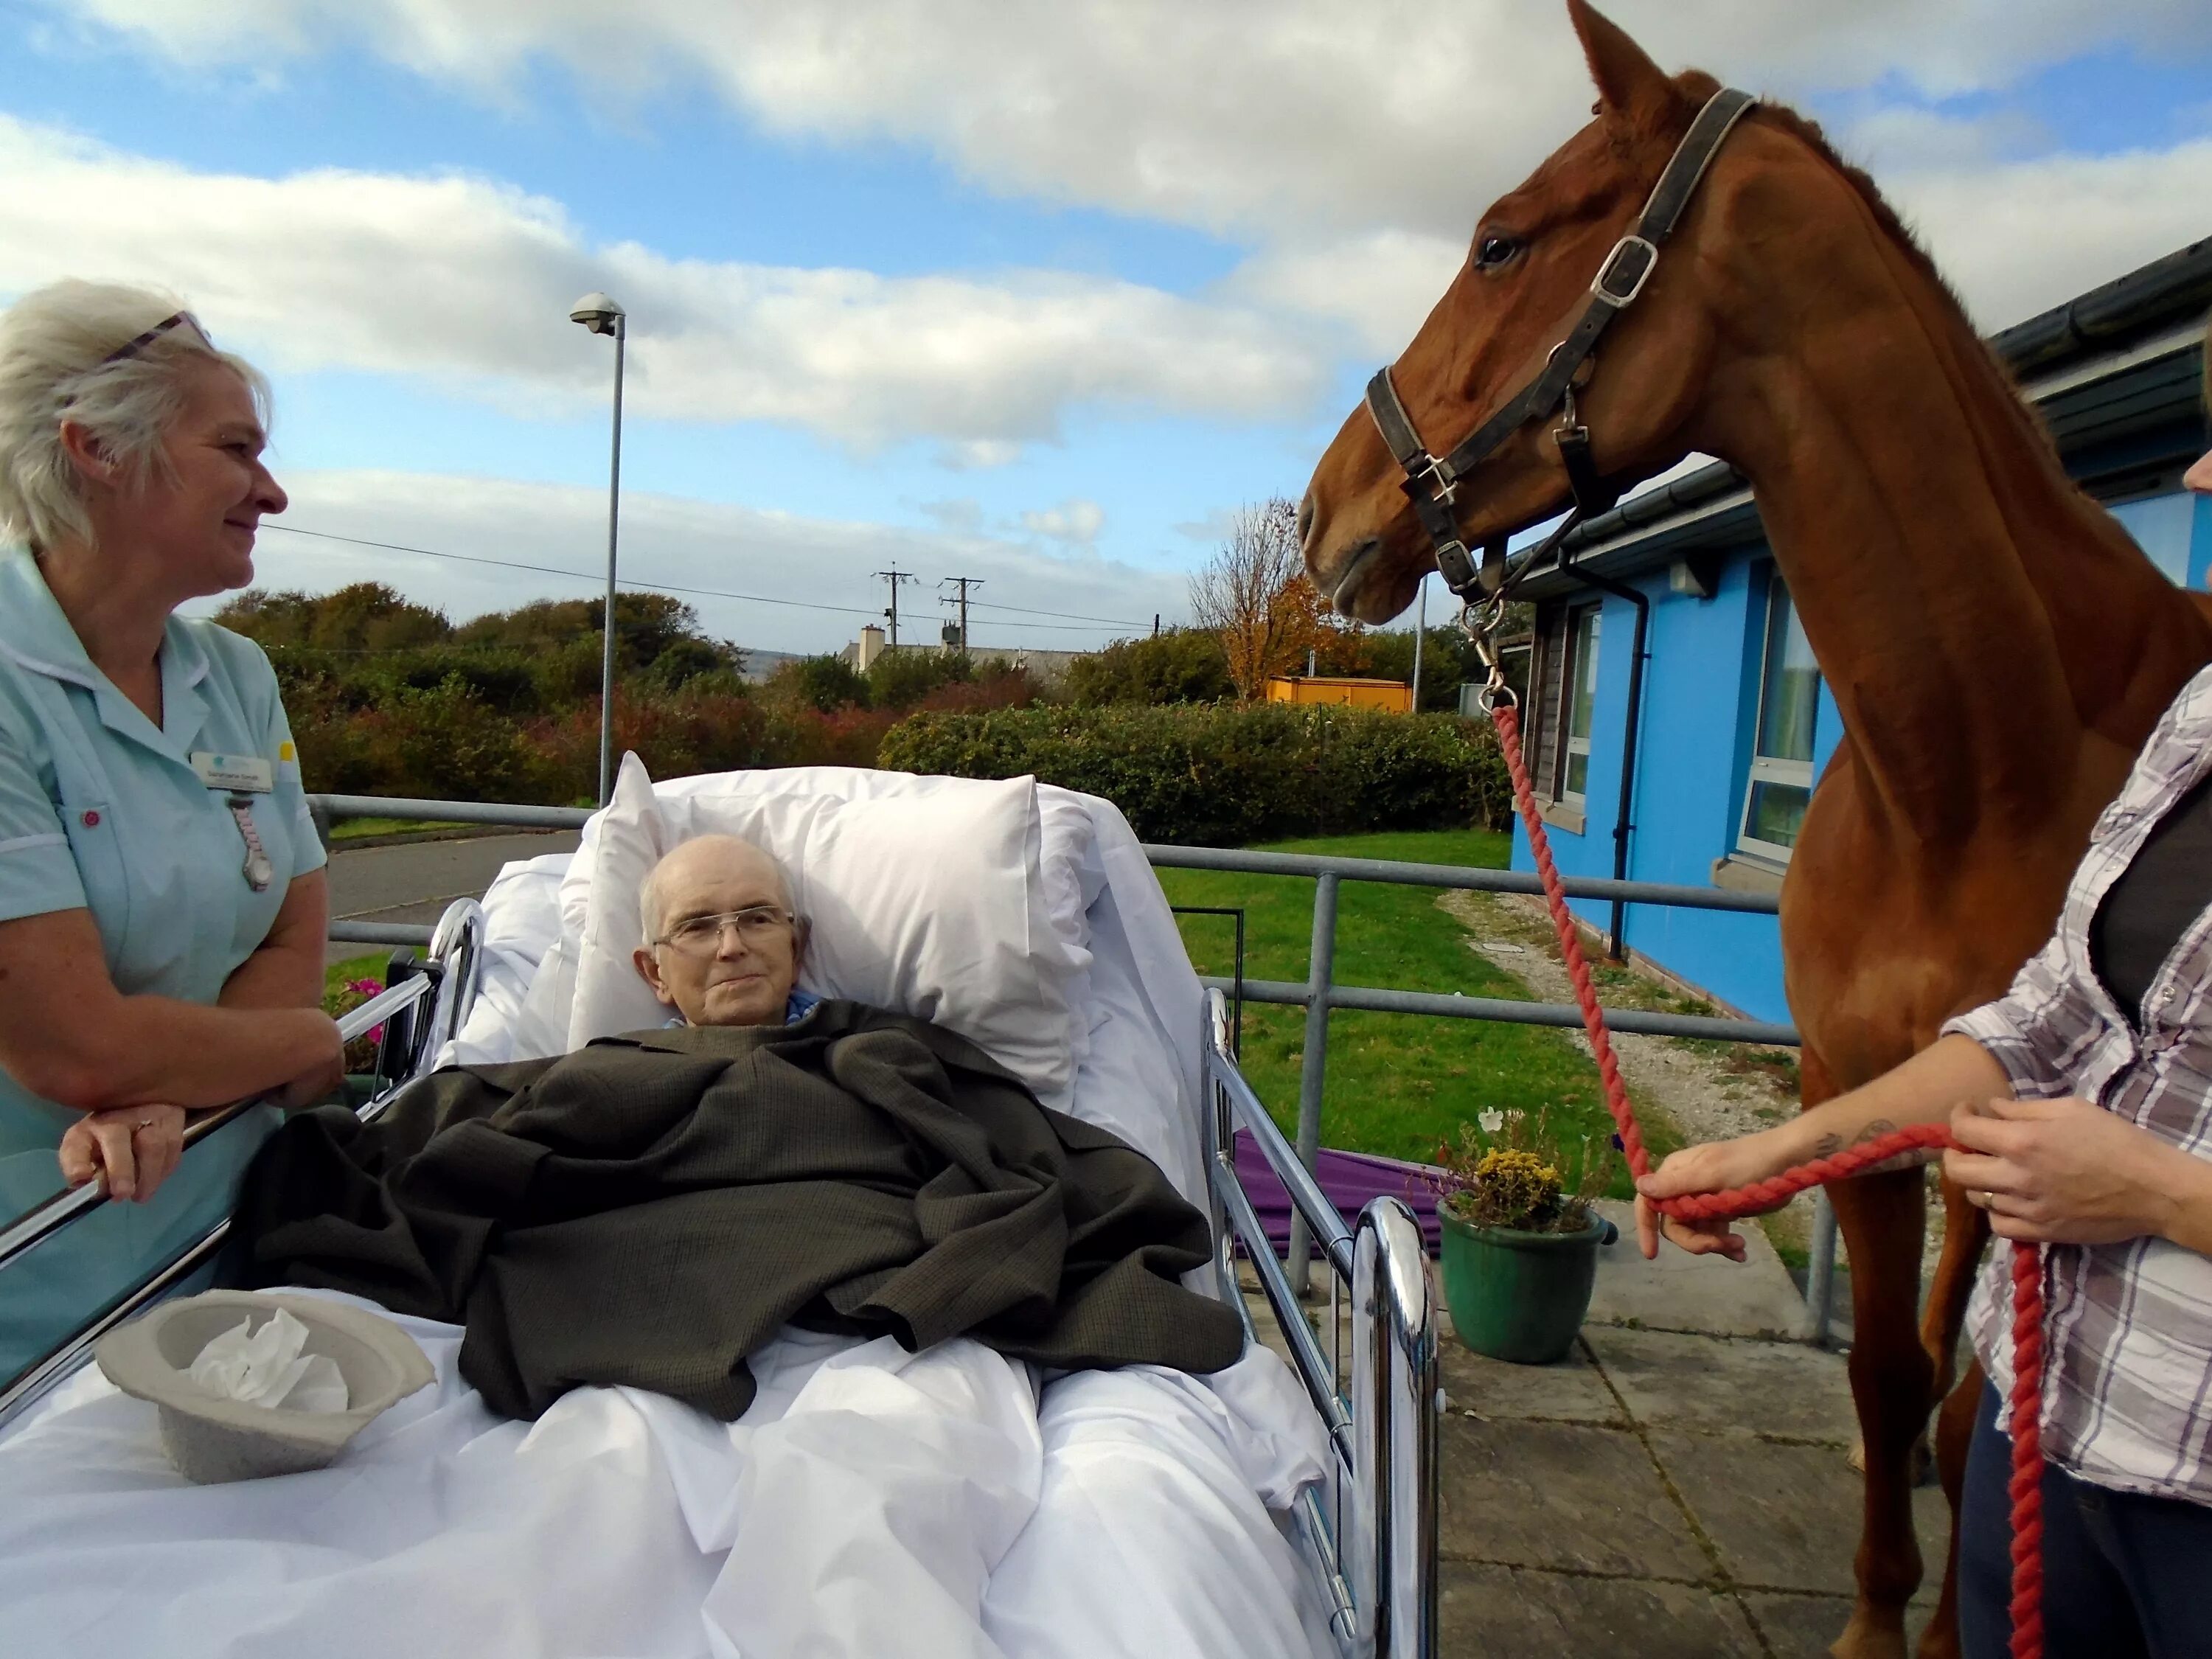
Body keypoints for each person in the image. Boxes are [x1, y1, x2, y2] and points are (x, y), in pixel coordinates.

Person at [1637, 431, 2212, 1658]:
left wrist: (2158, 1193)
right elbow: (2049, 1011)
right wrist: (1783, 1150)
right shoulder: (2200, 719)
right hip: (2053, 1430)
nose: (2204, 479)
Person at [0, 282, 344, 1379]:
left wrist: (159, 1089)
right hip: (38, 1270)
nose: (273, 490)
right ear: (98, 448)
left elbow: (296, 939)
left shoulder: (233, 674)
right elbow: (67, 1044)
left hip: (233, 1227)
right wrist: (294, 1049)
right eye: (237, 449)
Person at [630, 834, 821, 1029]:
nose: (732, 946)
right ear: (656, 973)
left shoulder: (850, 1047)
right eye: (696, 927)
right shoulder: (611, 1058)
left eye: (758, 919)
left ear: (795, 951)